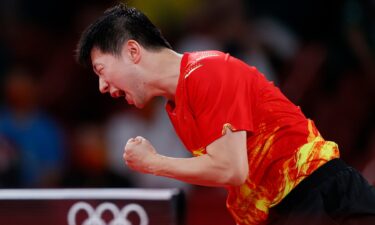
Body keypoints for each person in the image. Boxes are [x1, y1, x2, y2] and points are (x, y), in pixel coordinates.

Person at [76, 4, 375, 225]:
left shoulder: (206, 71)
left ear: (132, 51)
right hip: (284, 208)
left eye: (102, 70)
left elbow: (231, 169)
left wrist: (153, 163)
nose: (102, 86)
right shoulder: (177, 106)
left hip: (323, 197)